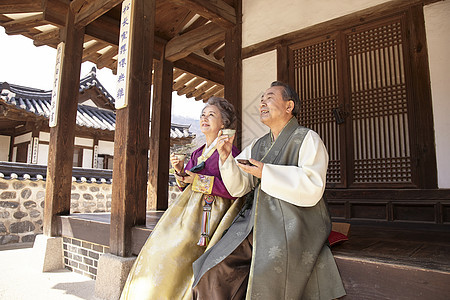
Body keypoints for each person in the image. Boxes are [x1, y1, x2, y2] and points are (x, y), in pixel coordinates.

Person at [192, 81, 346, 299]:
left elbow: (313, 186)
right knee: (212, 267)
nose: (262, 103)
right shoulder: (257, 145)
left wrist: (267, 172)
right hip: (256, 222)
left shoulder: (307, 138)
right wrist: (226, 158)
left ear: (289, 106)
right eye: (261, 99)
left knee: (267, 273)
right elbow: (239, 187)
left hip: (295, 221)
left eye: (270, 97)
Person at [120, 97, 244, 300]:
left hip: (211, 215)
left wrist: (199, 180)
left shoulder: (232, 153)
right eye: (203, 115)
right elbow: (185, 182)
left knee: (175, 253)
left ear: (224, 123)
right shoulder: (197, 152)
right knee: (159, 249)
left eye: (211, 115)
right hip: (187, 212)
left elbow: (234, 191)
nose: (204, 118)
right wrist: (179, 170)